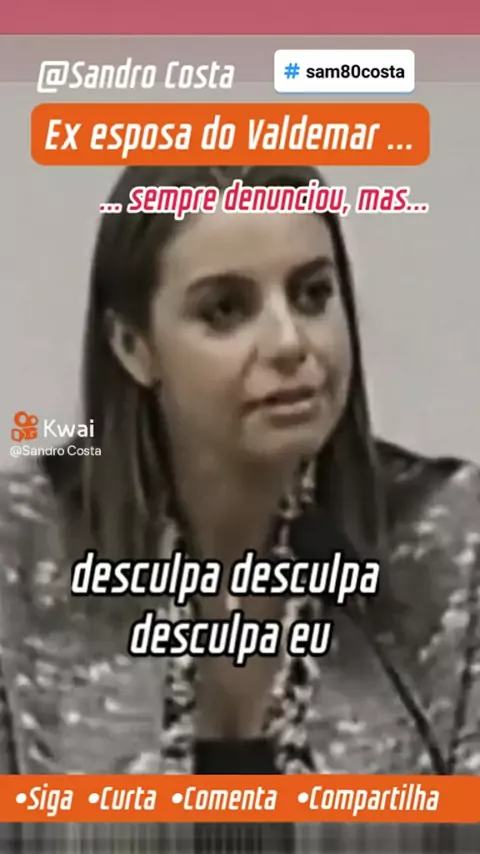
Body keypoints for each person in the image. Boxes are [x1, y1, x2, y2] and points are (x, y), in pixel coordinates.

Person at [0, 164, 478, 853]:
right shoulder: (22, 552)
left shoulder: (451, 545)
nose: (290, 343)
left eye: (312, 294)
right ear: (133, 347)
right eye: (226, 309)